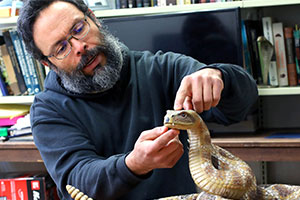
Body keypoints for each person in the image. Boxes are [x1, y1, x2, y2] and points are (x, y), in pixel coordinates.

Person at [17, 0, 258, 199]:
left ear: (93, 18)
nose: (80, 47)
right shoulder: (49, 110)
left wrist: (219, 77)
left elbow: (240, 106)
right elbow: (77, 181)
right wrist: (133, 165)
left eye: (79, 29)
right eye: (61, 48)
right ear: (48, 64)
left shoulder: (161, 69)